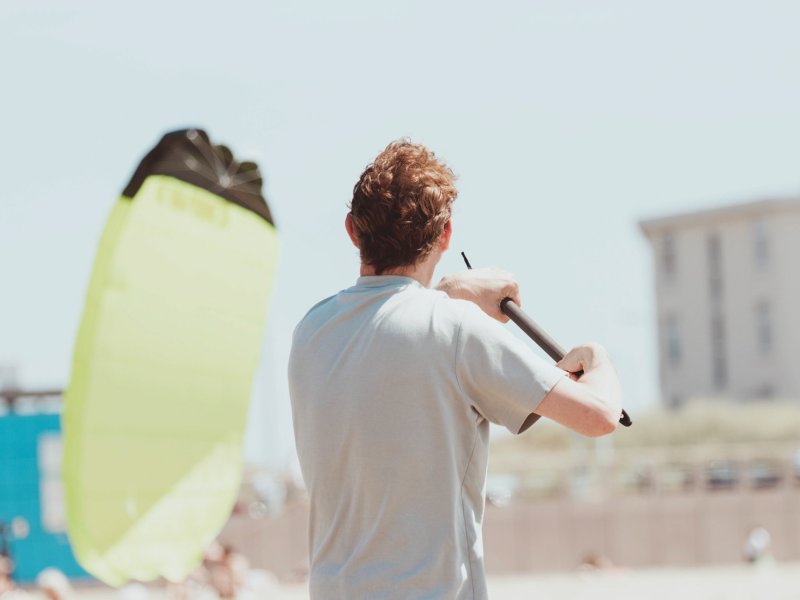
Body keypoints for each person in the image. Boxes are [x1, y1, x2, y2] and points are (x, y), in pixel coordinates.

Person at [289, 139, 623, 599]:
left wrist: (448, 290)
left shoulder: (311, 331)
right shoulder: (455, 330)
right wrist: (595, 356)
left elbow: (390, 327)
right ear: (445, 236)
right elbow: (599, 416)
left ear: (351, 230)